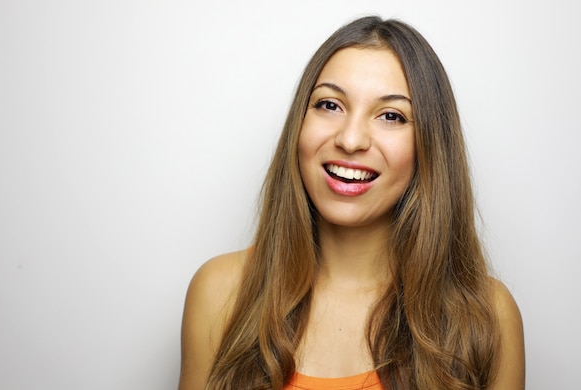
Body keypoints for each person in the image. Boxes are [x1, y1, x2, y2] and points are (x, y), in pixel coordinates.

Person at [178, 15, 525, 390]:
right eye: (330, 105)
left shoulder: (488, 316)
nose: (351, 139)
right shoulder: (219, 292)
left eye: (391, 115)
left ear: (429, 147)